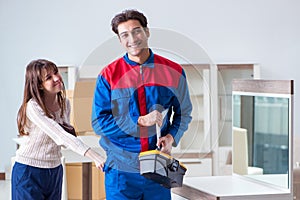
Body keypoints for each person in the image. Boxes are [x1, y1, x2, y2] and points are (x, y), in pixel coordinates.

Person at [91, 9, 192, 200]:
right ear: (120, 40)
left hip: (158, 167)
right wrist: (139, 122)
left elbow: (184, 113)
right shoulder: (108, 75)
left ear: (147, 31)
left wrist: (171, 136)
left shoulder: (173, 71)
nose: (132, 38)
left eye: (136, 31)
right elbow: (99, 122)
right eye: (125, 35)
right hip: (121, 169)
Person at [11, 59, 105, 200]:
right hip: (29, 170)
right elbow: (60, 135)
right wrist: (95, 157)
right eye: (48, 77)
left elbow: (64, 135)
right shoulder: (33, 107)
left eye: (55, 72)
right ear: (39, 85)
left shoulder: (64, 104)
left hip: (54, 170)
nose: (56, 78)